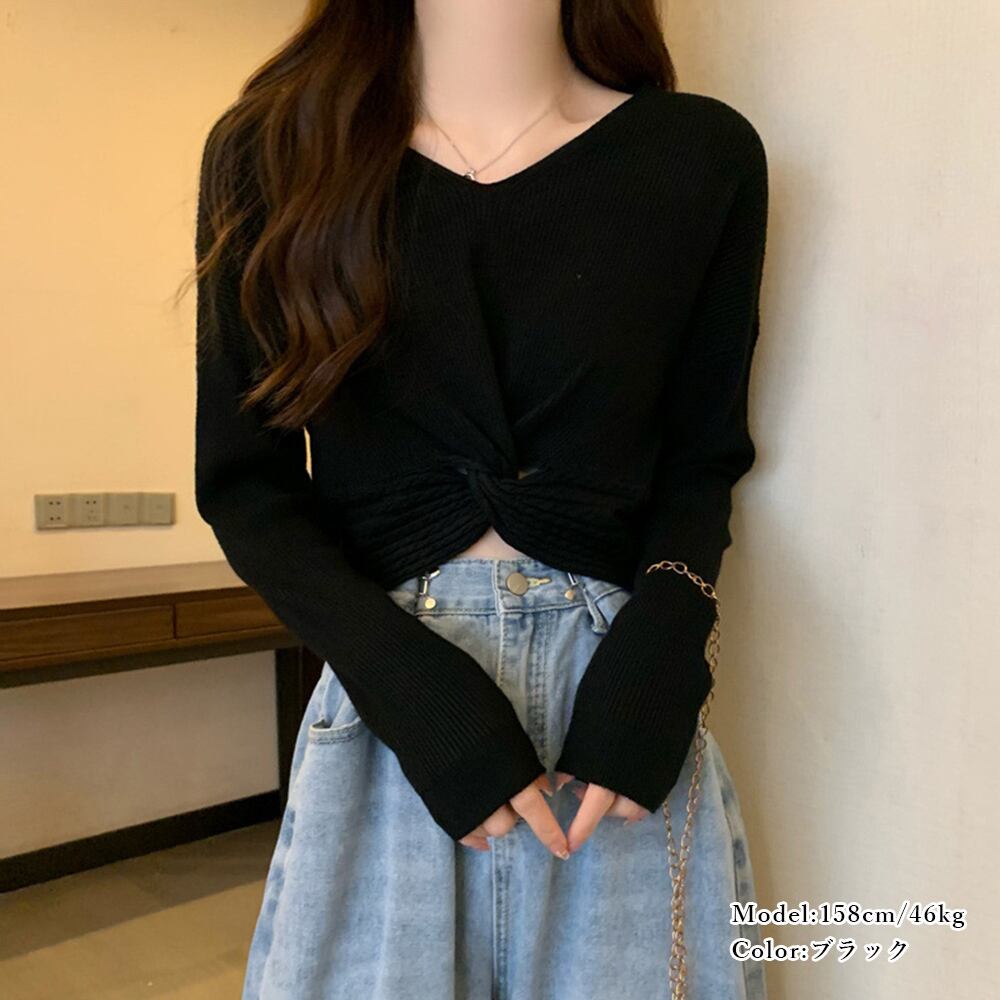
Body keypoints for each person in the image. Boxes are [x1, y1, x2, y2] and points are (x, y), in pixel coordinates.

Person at [191, 2, 770, 997]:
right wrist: (406, 686)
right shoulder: (277, 150)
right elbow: (246, 485)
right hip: (389, 706)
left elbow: (700, 457)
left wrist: (665, 646)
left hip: (614, 717)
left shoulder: (697, 156)